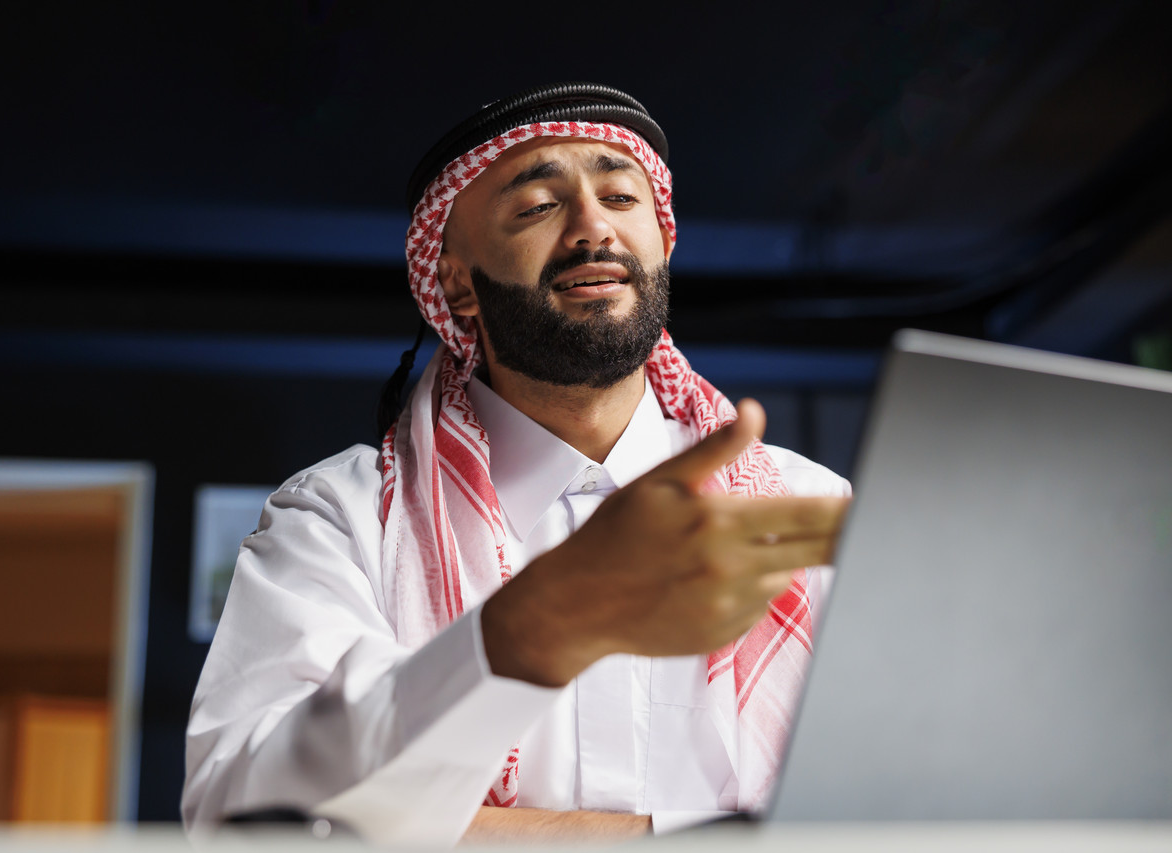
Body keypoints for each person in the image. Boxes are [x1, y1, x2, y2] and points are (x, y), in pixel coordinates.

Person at [182, 83, 850, 846]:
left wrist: (474, 832)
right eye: (537, 206)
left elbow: (908, 814)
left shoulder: (806, 508)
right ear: (457, 284)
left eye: (622, 197)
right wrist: (538, 624)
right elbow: (239, 820)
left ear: (663, 242)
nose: (593, 227)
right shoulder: (342, 520)